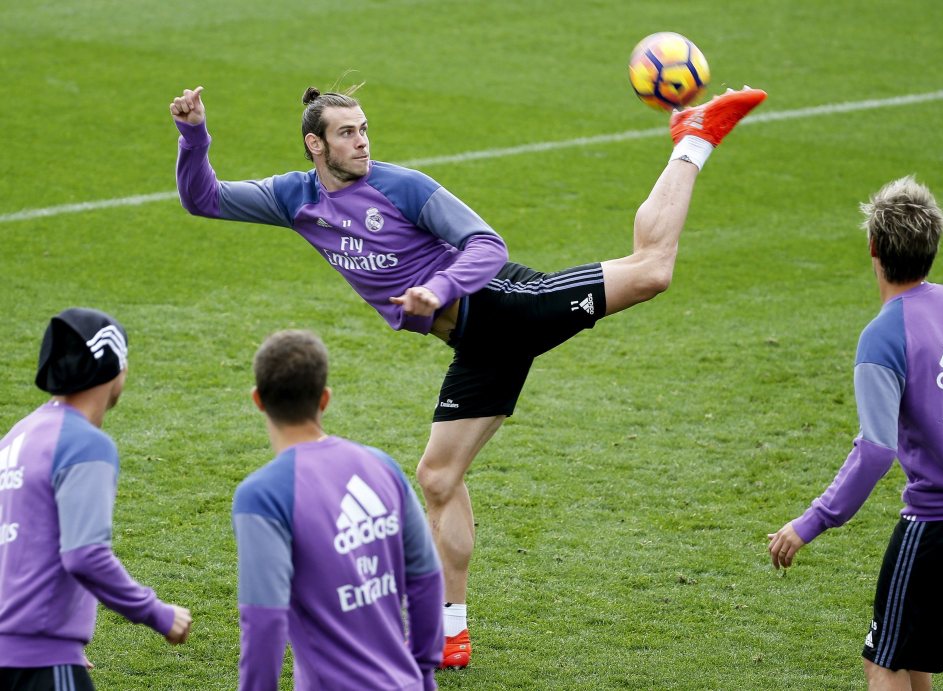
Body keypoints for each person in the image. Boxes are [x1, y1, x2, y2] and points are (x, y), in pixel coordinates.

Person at [171, 82, 767, 668]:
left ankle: (693, 140)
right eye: (347, 133)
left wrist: (438, 286)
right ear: (315, 146)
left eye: (364, 129)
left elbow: (486, 241)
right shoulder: (294, 198)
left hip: (506, 302)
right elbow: (204, 199)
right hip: (475, 344)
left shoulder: (401, 186)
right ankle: (451, 633)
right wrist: (193, 134)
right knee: (436, 477)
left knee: (652, 270)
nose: (362, 142)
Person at [768, 176, 943, 690]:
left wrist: (810, 522)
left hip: (939, 522)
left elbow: (876, 450)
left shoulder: (883, 337)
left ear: (872, 247)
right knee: (910, 655)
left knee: (884, 662)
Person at [232, 329, 443, 690]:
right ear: (324, 399)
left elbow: (265, 621)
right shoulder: (382, 466)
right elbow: (426, 579)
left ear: (258, 400)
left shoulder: (262, 496)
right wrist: (422, 671)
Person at [0, 307, 192, 691]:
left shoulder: (18, 436)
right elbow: (85, 555)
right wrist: (158, 613)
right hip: (36, 662)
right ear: (113, 369)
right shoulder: (85, 443)